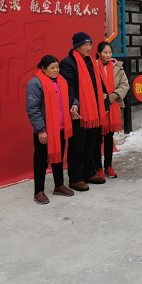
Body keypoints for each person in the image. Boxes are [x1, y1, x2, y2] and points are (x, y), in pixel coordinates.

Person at [59, 32, 111, 192]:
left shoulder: (91, 62)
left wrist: (106, 101)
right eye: (85, 44)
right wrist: (74, 105)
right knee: (78, 145)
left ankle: (89, 173)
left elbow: (99, 83)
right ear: (76, 46)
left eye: (90, 44)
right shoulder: (68, 63)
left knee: (92, 144)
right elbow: (69, 88)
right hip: (80, 112)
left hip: (94, 111)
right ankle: (75, 178)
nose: (89, 47)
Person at [26, 55, 78, 205]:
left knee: (59, 158)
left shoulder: (61, 81)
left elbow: (70, 97)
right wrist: (41, 130)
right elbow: (33, 109)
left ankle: (59, 185)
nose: (56, 70)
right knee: (41, 160)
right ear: (43, 68)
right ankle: (39, 191)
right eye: (52, 68)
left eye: (57, 67)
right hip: (46, 130)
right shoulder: (35, 84)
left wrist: (75, 104)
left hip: (61, 127)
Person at [93, 41, 130, 179]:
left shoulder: (117, 68)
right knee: (96, 139)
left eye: (110, 52)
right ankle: (97, 168)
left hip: (112, 106)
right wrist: (99, 96)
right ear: (98, 53)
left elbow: (125, 85)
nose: (108, 55)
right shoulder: (93, 67)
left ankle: (108, 166)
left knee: (109, 139)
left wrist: (112, 96)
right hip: (97, 108)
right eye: (105, 52)